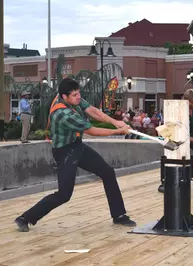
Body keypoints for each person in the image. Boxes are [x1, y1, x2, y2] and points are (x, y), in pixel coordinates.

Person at [14, 78, 136, 232]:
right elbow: (92, 131)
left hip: (76, 145)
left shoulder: (72, 97)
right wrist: (118, 131)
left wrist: (114, 121)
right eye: (75, 95)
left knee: (107, 172)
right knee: (64, 195)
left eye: (79, 94)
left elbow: (91, 110)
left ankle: (119, 215)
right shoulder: (63, 113)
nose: (79, 97)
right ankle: (25, 218)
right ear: (64, 97)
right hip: (64, 152)